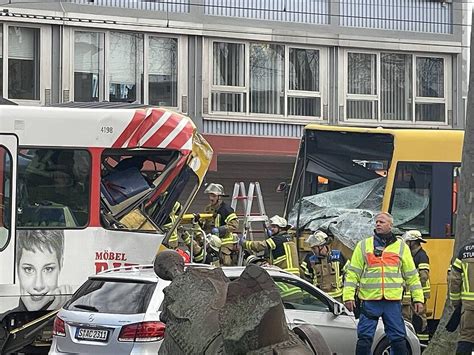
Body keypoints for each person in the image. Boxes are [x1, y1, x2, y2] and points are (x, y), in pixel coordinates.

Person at [343, 212, 424, 355]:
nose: (378, 224)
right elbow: (353, 273)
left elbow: (411, 275)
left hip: (392, 302)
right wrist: (348, 296)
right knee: (364, 338)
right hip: (370, 300)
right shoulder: (363, 245)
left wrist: (418, 298)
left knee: (398, 338)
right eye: (377, 222)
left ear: (390, 225)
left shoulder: (401, 247)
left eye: (382, 222)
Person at [15, 230, 71, 312]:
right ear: (17, 266)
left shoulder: (72, 321)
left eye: (48, 269)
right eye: (29, 269)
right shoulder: (2, 320)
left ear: (60, 264)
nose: (38, 285)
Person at [401, 230, 431, 344]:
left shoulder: (421, 256)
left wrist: (410, 282)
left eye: (407, 242)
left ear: (413, 242)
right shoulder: (412, 255)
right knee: (410, 318)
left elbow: (423, 276)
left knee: (419, 320)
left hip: (420, 293)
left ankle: (422, 344)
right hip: (412, 294)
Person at [300, 230, 346, 302]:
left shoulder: (338, 256)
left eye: (314, 248)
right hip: (318, 300)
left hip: (337, 299)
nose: (313, 251)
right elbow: (307, 280)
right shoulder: (310, 259)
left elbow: (348, 275)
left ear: (321, 246)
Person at [201, 183, 239, 266]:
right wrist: (199, 221)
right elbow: (205, 225)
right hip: (211, 243)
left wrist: (220, 230)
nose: (211, 198)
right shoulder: (208, 208)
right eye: (210, 195)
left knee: (225, 264)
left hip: (224, 244)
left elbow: (234, 225)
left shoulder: (226, 209)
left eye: (214, 196)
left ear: (220, 197)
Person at [448, 238, 474, 355]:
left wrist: (455, 302)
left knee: (466, 337)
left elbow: (454, 280)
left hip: (468, 306)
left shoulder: (464, 252)